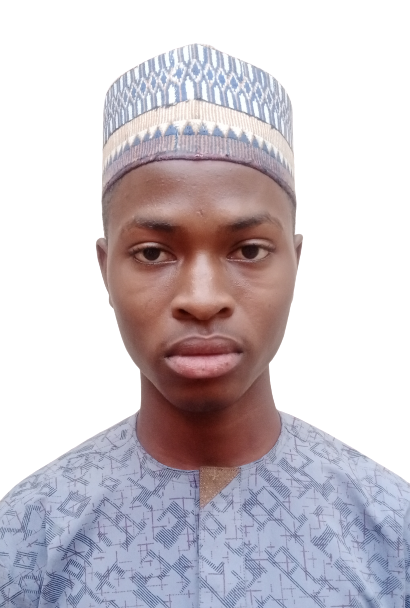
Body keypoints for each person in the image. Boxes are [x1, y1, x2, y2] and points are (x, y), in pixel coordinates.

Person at [0, 43, 408, 608]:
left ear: (295, 263)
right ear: (105, 270)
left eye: (249, 250)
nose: (202, 298)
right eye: (152, 253)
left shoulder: (392, 534)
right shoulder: (26, 538)